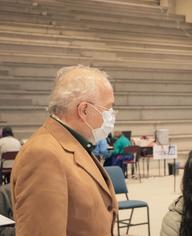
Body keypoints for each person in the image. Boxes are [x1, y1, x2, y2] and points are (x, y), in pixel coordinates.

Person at [11, 65, 118, 236]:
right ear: (84, 110)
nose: (112, 115)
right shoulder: (43, 154)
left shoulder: (74, 143)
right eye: (108, 108)